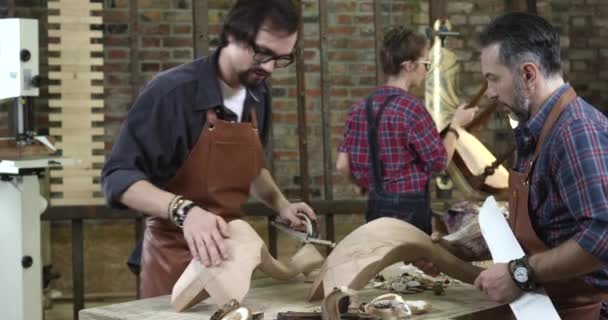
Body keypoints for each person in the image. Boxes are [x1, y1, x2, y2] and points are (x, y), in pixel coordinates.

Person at [101, 0, 316, 298]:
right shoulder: (170, 94)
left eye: (281, 59)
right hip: (173, 264)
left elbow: (251, 168)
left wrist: (281, 204)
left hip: (228, 263)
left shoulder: (258, 94)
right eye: (262, 53)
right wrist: (184, 211)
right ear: (232, 35)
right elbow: (117, 178)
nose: (268, 68)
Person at [419, 12, 608, 319]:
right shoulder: (538, 130)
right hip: (546, 306)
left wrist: (520, 273)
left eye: (493, 79)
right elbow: (543, 225)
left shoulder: (576, 132)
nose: (490, 92)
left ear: (528, 74)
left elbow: (603, 237)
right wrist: (457, 249)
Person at [335, 26, 477, 234]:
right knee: (412, 266)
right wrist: (455, 126)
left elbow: (342, 165)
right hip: (410, 210)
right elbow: (438, 163)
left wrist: (365, 183)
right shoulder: (412, 109)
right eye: (425, 64)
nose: (426, 70)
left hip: (375, 205)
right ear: (409, 66)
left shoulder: (359, 109)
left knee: (384, 262)